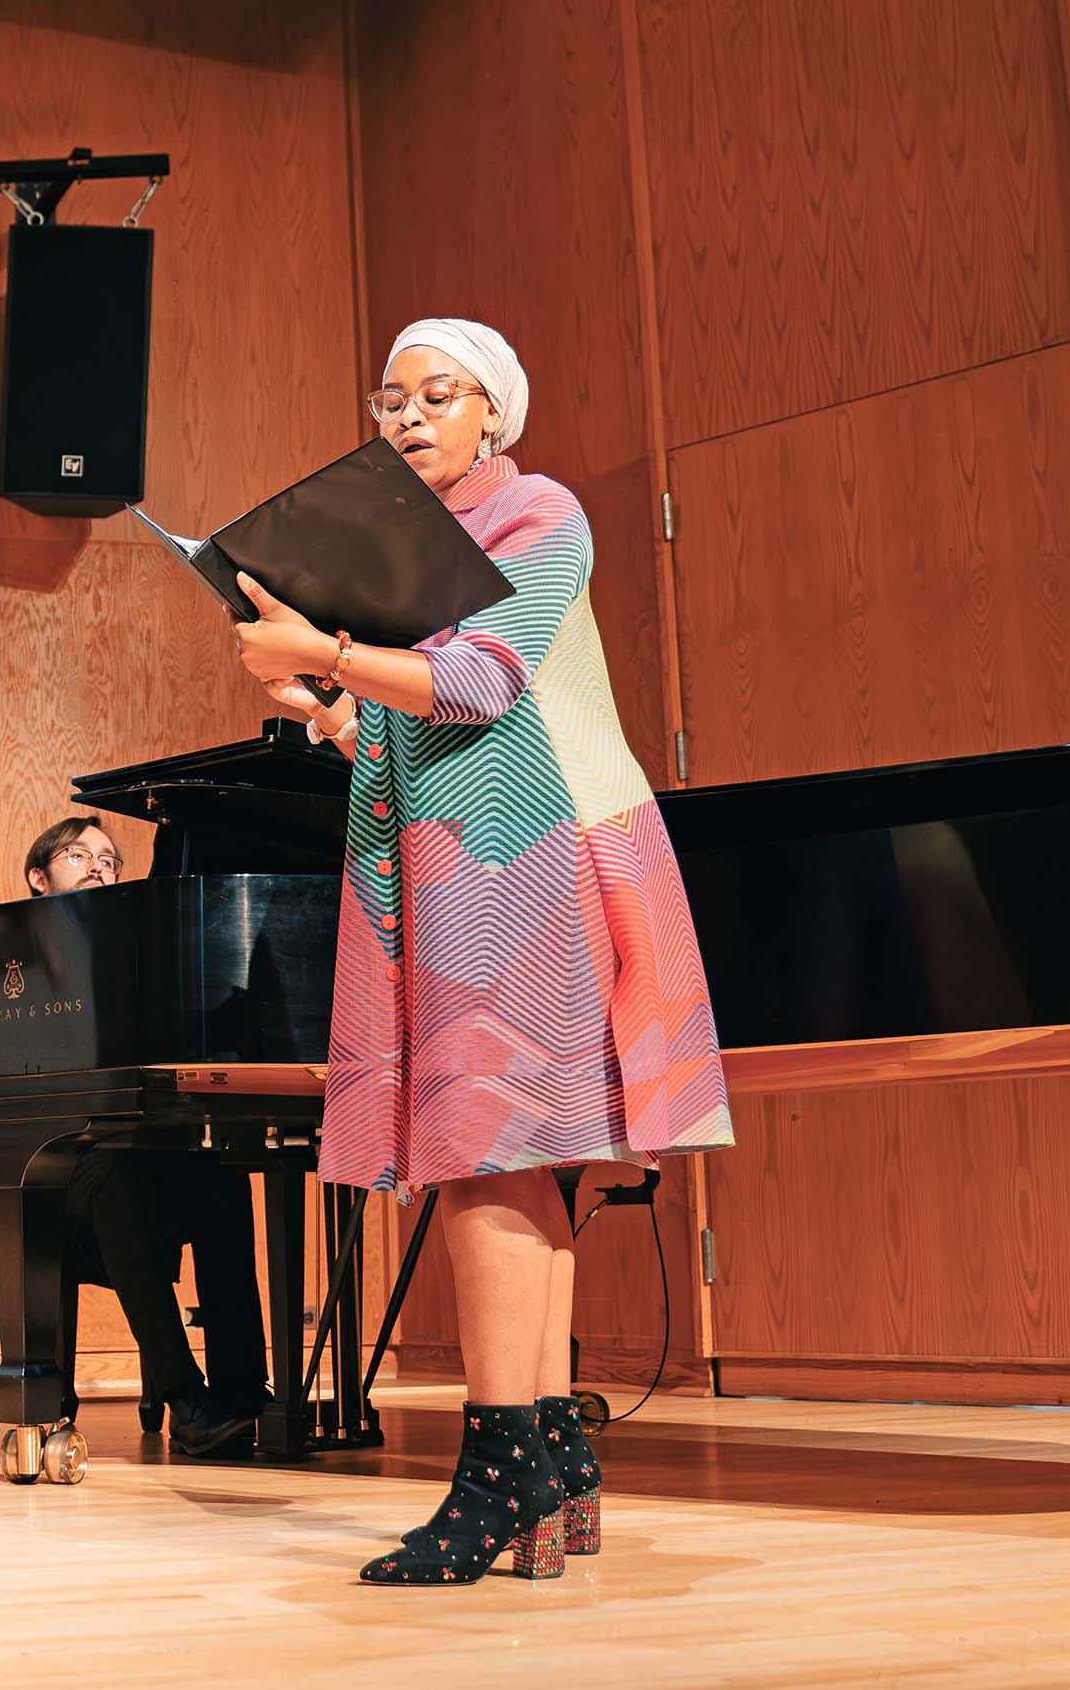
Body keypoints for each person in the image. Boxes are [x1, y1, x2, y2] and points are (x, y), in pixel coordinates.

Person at [231, 317, 731, 1585]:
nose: (404, 416)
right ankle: (553, 1470)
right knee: (514, 1160)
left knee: (484, 1150)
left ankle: (498, 1472)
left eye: (434, 395)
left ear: (491, 411)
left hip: (532, 852)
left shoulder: (537, 514)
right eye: (387, 398)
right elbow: (406, 728)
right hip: (459, 857)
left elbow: (483, 687)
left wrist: (325, 652)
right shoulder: (412, 544)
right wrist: (326, 708)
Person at [0, 814, 273, 1456]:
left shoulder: (135, 963)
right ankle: (185, 1398)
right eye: (79, 854)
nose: (99, 865)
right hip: (24, 1166)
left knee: (220, 1178)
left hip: (115, 1153)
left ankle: (243, 1391)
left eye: (111, 860)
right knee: (112, 1178)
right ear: (38, 878)